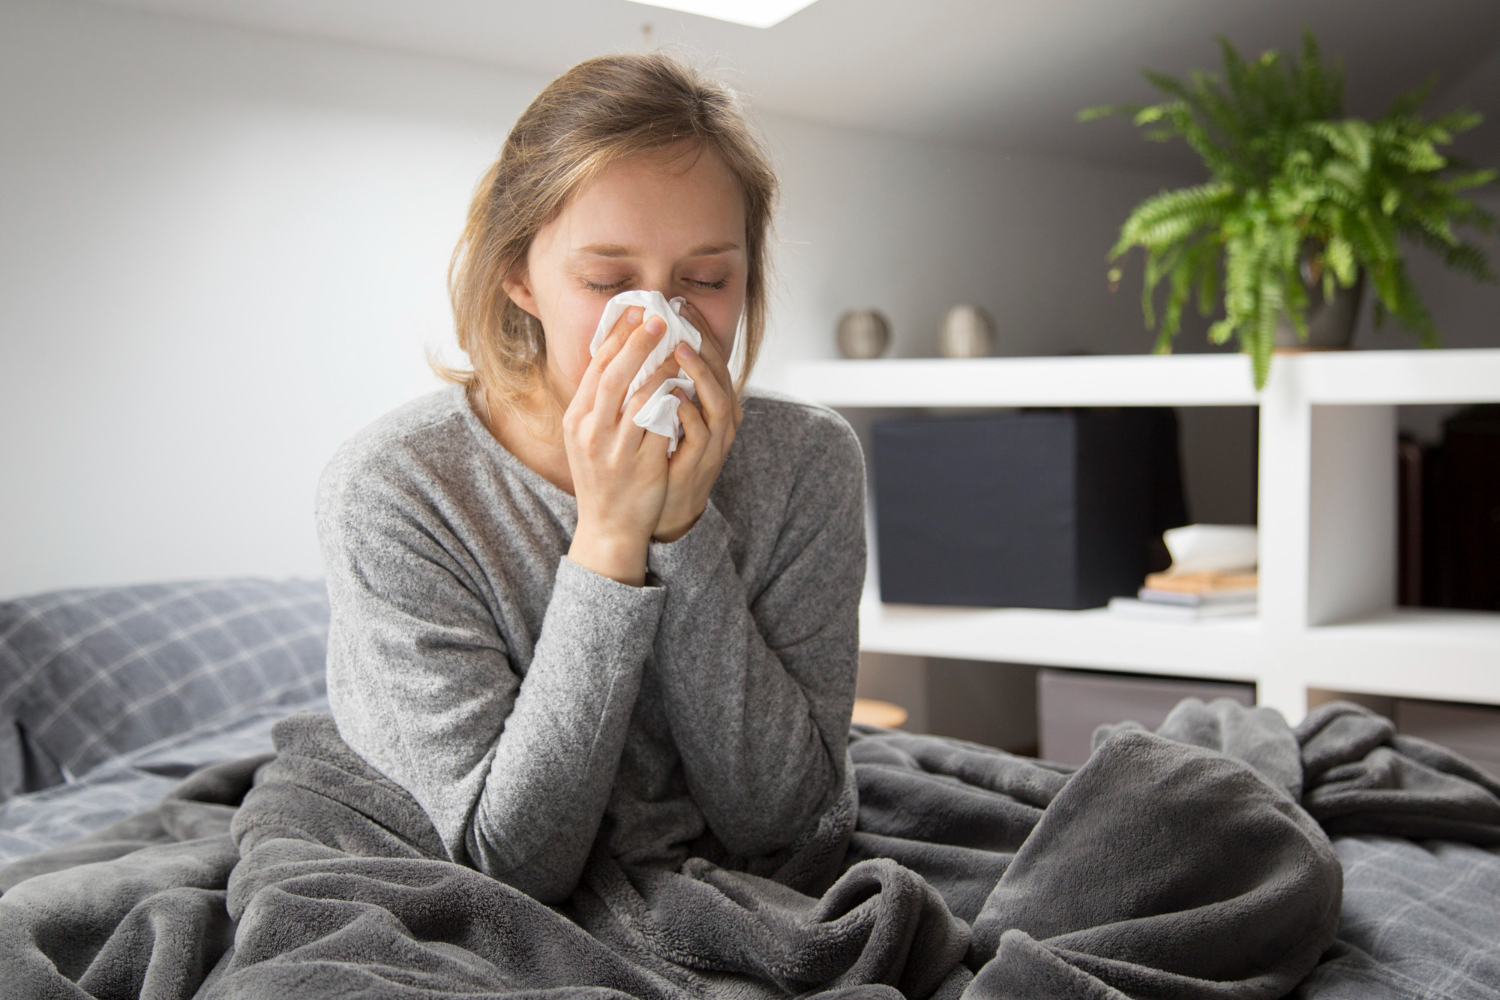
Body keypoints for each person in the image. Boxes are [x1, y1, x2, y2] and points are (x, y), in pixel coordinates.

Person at [315, 52, 866, 905]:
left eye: (707, 279)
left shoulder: (807, 460)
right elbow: (513, 863)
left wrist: (684, 536)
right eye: (608, 280)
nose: (662, 321)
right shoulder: (397, 490)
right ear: (516, 274)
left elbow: (787, 825)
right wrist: (611, 537)